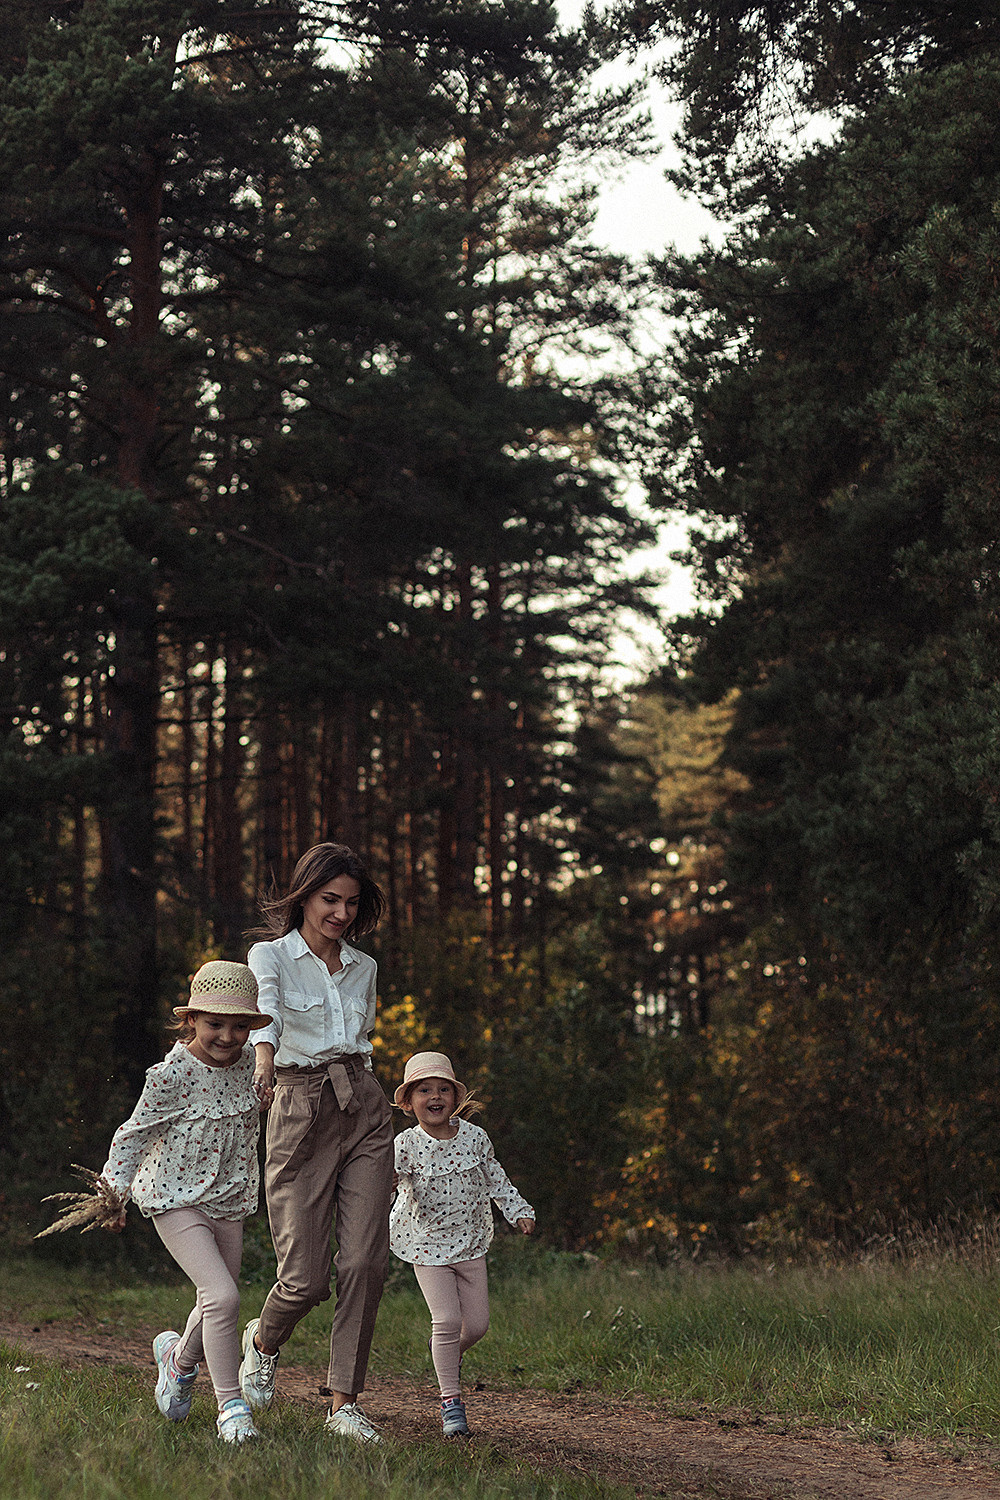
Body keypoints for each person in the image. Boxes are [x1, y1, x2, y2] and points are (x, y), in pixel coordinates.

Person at [239, 841, 394, 1442]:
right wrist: (264, 1059)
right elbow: (267, 1014)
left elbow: (365, 1038)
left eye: (352, 903)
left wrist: (370, 1091)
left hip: (363, 1105)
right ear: (304, 895)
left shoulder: (364, 967)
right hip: (298, 1104)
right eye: (330, 899)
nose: (341, 913)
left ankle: (343, 1403)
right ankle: (262, 1341)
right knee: (304, 1277)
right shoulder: (269, 955)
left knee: (364, 1261)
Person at [99, 960, 271, 1445]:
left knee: (214, 1300)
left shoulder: (247, 1071)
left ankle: (178, 1362)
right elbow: (133, 1136)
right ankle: (231, 1408)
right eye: (215, 1023)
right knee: (225, 1298)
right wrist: (114, 1194)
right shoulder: (170, 1075)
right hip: (174, 1200)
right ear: (191, 1019)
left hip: (227, 1200)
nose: (227, 1036)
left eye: (240, 1026)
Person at [390, 1051, 535, 1440]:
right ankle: (451, 1402)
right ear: (409, 1102)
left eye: (443, 1089)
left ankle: (443, 1356)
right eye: (424, 1090)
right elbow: (385, 1182)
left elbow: (496, 1179)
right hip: (426, 1244)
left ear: (455, 1098)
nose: (434, 1096)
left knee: (478, 1325)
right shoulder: (405, 1143)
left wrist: (517, 1210)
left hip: (470, 1243)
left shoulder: (475, 1138)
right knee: (448, 1321)